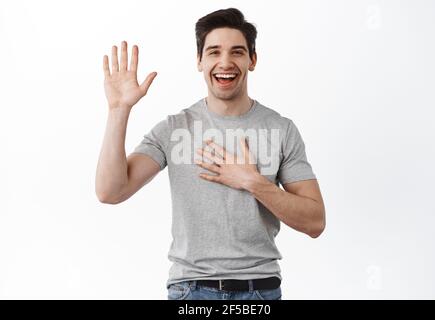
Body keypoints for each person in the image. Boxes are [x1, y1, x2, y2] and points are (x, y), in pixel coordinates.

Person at [95, 8, 326, 300]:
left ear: (252, 60)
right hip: (191, 291)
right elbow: (110, 191)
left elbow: (315, 222)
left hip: (260, 291)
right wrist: (119, 111)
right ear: (199, 61)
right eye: (214, 52)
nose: (225, 63)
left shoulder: (281, 129)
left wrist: (253, 182)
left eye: (237, 52)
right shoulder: (174, 129)